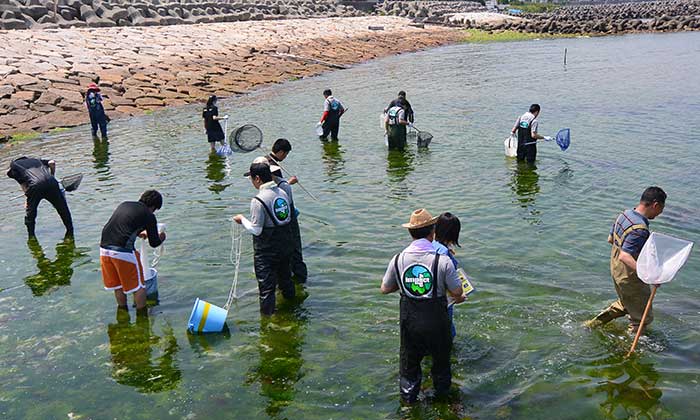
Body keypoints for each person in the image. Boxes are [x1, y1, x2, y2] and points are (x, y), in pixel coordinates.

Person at [381, 208, 465, 403]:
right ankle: (442, 404)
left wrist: (407, 283)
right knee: (441, 366)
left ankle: (409, 406)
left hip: (410, 321)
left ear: (410, 232)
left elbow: (384, 288)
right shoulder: (443, 261)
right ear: (432, 231)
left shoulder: (398, 259)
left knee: (409, 368)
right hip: (437, 321)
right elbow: (458, 292)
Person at [586, 187, 667, 333]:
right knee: (642, 317)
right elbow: (625, 256)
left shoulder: (625, 215)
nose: (660, 213)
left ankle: (592, 325)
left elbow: (611, 239)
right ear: (655, 205)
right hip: (629, 276)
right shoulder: (640, 229)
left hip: (616, 270)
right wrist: (649, 276)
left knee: (626, 303)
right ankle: (628, 346)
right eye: (661, 209)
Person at [233, 161, 295, 315]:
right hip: (286, 244)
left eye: (252, 179)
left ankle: (267, 322)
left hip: (268, 251)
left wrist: (242, 220)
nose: (252, 182)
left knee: (266, 289)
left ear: (258, 179)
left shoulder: (258, 200)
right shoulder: (283, 193)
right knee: (286, 280)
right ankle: (293, 310)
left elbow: (256, 229)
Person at [100, 190, 166, 312]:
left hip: (104, 249)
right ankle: (142, 317)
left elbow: (123, 228)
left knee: (118, 286)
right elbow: (154, 243)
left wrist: (138, 233)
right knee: (139, 287)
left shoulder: (125, 204)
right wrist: (162, 236)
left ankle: (123, 313)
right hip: (122, 252)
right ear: (153, 206)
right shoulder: (149, 215)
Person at [265, 138, 308, 283]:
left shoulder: (263, 161)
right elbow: (277, 190)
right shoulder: (273, 167)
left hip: (273, 215)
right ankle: (300, 277)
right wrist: (290, 182)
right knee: (295, 246)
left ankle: (285, 275)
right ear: (281, 152)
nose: (285, 157)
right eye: (286, 154)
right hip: (284, 211)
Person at [7, 156, 74, 239]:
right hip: (51, 182)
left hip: (35, 186)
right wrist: (52, 176)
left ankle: (31, 237)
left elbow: (23, 185)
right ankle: (70, 231)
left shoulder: (14, 166)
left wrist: (28, 200)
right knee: (62, 208)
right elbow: (52, 162)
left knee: (31, 213)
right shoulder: (36, 160)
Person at [432, 212, 462, 338]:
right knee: (447, 337)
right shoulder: (444, 253)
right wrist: (459, 296)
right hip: (442, 303)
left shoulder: (430, 245)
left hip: (425, 305)